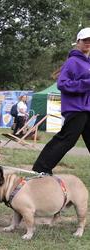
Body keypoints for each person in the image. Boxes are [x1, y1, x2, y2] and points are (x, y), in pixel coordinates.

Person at [32, 27, 90, 175]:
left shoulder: (87, 63)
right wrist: (86, 83)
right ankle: (41, 168)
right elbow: (62, 84)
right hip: (76, 109)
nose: (88, 43)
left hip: (86, 109)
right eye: (85, 40)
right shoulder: (73, 61)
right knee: (67, 140)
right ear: (77, 42)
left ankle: (41, 167)